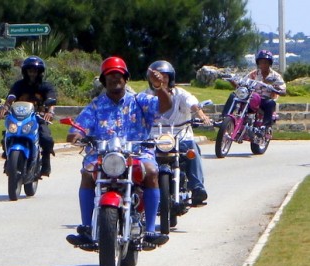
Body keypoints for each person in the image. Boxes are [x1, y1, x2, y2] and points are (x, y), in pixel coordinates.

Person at [65, 56, 173, 249]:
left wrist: (159, 87)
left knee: (152, 171)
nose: (115, 78)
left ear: (126, 78)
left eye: (118, 75)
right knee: (87, 173)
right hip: (103, 156)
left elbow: (165, 106)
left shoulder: (139, 100)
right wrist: (76, 134)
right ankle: (87, 228)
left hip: (138, 153)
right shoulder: (95, 106)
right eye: (110, 75)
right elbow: (78, 128)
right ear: (103, 80)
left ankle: (150, 230)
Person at [145, 60, 211, 205]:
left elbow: (192, 103)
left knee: (193, 149)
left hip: (181, 136)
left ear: (171, 78)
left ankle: (197, 187)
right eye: (158, 76)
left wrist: (201, 115)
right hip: (154, 138)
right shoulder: (146, 95)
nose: (162, 79)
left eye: (165, 76)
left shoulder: (180, 93)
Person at [0, 56, 56, 176]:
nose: (32, 73)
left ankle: (46, 162)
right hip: (19, 117)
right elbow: (11, 97)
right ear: (25, 71)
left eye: (35, 70)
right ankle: (9, 158)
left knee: (46, 138)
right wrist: (5, 108)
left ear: (39, 72)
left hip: (38, 117)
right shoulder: (19, 85)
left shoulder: (45, 86)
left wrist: (50, 112)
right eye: (30, 70)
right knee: (7, 134)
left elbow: (52, 100)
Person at [222, 50, 286, 133]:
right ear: (258, 63)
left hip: (264, 100)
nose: (263, 64)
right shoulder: (253, 74)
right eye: (261, 62)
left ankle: (265, 126)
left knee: (271, 103)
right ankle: (224, 118)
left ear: (270, 63)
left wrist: (275, 88)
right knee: (234, 95)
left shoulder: (276, 76)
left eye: (265, 62)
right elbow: (241, 85)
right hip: (251, 98)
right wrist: (232, 81)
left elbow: (283, 91)